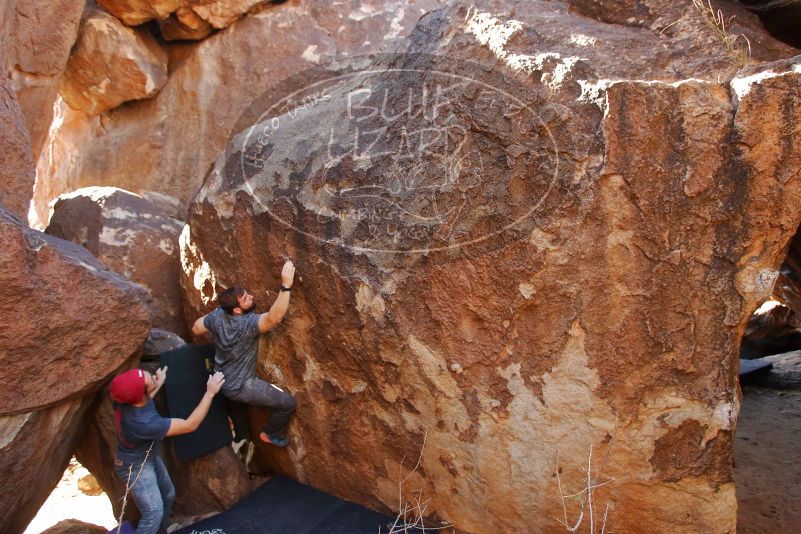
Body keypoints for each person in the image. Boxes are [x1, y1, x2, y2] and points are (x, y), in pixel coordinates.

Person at [191, 259, 297, 447]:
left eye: (247, 294)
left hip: (220, 377)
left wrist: (216, 325)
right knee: (287, 404)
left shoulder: (217, 315)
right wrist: (286, 286)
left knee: (238, 411)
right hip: (240, 385)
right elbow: (274, 317)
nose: (252, 297)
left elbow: (197, 328)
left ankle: (242, 435)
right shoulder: (246, 325)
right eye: (246, 299)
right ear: (237, 310)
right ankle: (272, 434)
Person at [110, 366, 225, 534]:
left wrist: (157, 383)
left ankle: (160, 532)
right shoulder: (144, 424)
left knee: (168, 494)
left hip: (146, 456)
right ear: (142, 394)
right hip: (134, 467)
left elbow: (144, 400)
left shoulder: (124, 400)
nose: (151, 376)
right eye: (148, 380)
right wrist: (210, 392)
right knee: (153, 513)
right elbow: (190, 425)